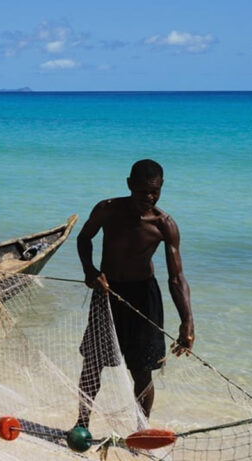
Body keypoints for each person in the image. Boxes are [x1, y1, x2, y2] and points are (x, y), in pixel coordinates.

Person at [74, 159, 194, 429]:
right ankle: (81, 424)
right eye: (142, 191)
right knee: (93, 364)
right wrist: (90, 271)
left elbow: (176, 278)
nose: (149, 198)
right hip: (107, 294)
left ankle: (141, 430)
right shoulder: (107, 210)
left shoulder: (164, 225)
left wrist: (187, 321)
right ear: (129, 185)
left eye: (154, 192)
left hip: (143, 297)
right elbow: (84, 238)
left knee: (141, 372)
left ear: (161, 187)